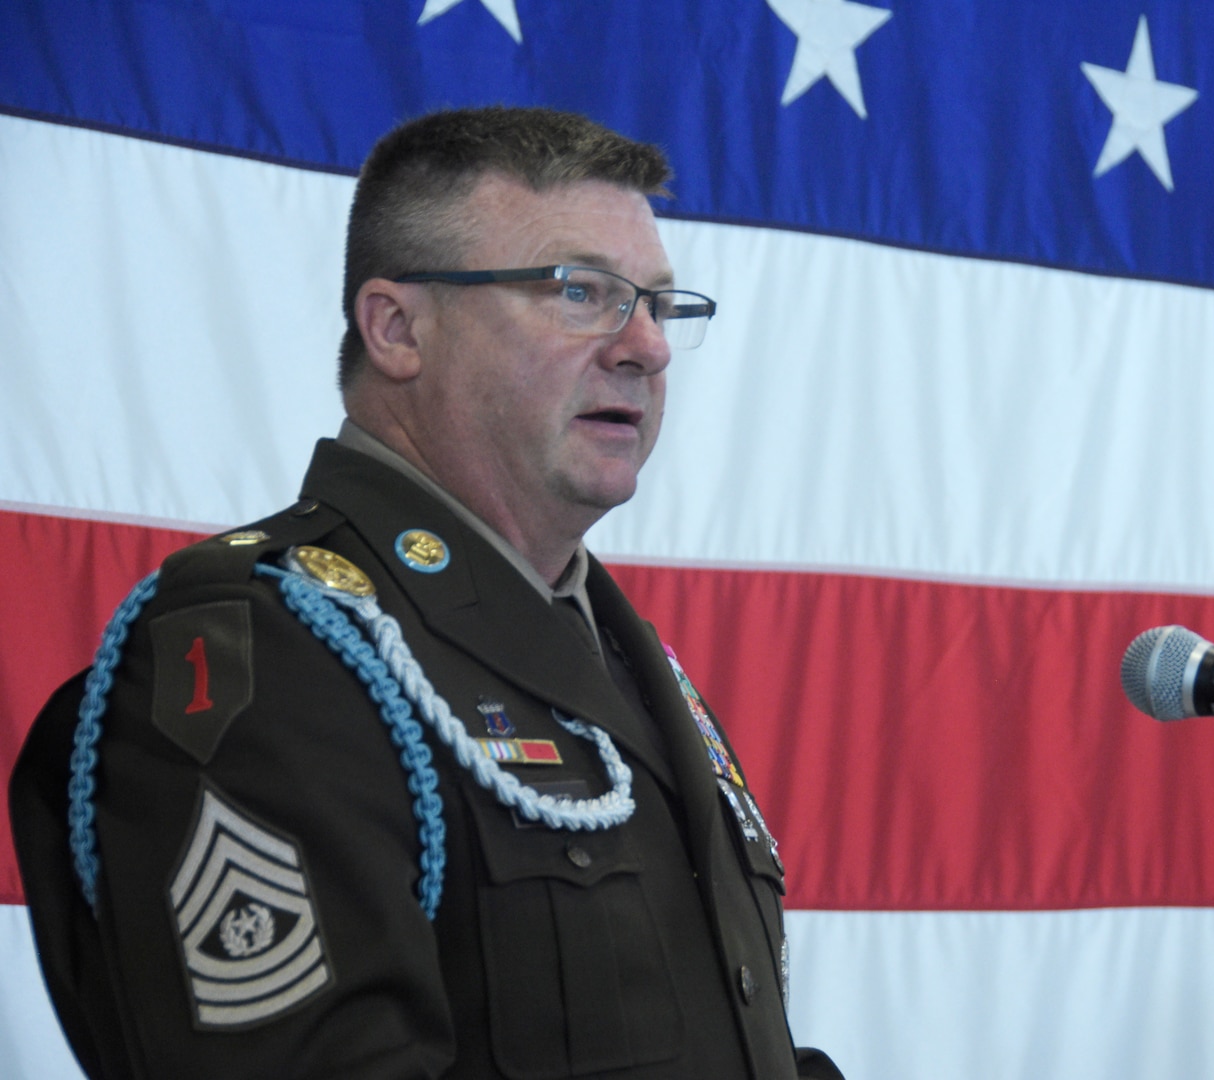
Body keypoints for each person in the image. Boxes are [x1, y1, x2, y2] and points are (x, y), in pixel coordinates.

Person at [10, 106, 841, 1080]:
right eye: (582, 292)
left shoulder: (624, 661)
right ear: (398, 328)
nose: (647, 348)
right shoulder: (270, 645)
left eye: (660, 305)